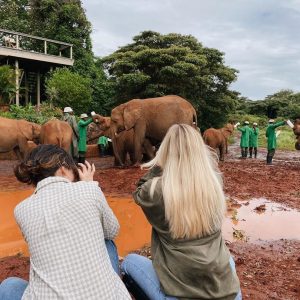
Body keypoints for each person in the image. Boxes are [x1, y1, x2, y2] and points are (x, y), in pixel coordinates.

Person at [121, 124, 241, 300]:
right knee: (228, 260)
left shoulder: (155, 190)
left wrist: (161, 164)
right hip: (227, 292)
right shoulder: (214, 182)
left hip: (178, 292)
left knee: (128, 263)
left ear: (165, 151)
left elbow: (139, 191)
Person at [0, 145, 131, 300]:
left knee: (9, 285)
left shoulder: (21, 209)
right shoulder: (89, 189)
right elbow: (112, 231)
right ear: (63, 168)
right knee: (107, 240)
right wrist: (89, 184)